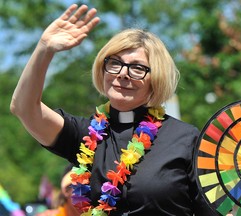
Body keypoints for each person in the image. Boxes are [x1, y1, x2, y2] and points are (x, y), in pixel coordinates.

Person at [10, 4, 214, 216]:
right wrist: (44, 49)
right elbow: (23, 108)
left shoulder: (185, 139)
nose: (123, 74)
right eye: (115, 63)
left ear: (156, 79)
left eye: (137, 68)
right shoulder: (85, 135)